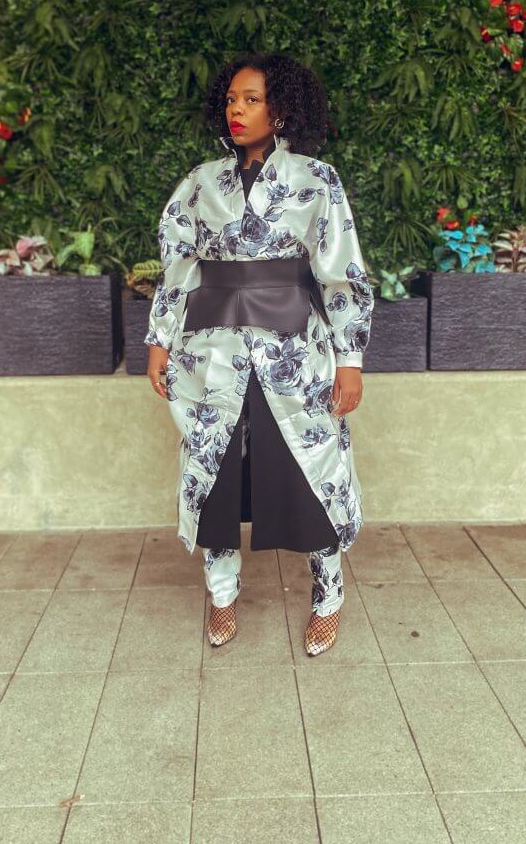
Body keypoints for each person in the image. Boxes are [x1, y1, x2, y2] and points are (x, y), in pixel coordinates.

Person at [145, 52, 374, 656]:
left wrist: (350, 360)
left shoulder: (316, 180)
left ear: (282, 108)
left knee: (310, 469)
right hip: (210, 353)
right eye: (231, 99)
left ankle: (328, 597)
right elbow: (177, 268)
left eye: (252, 99)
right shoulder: (200, 182)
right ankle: (222, 595)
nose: (237, 110)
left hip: (293, 354)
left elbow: (340, 273)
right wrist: (159, 341)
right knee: (216, 475)